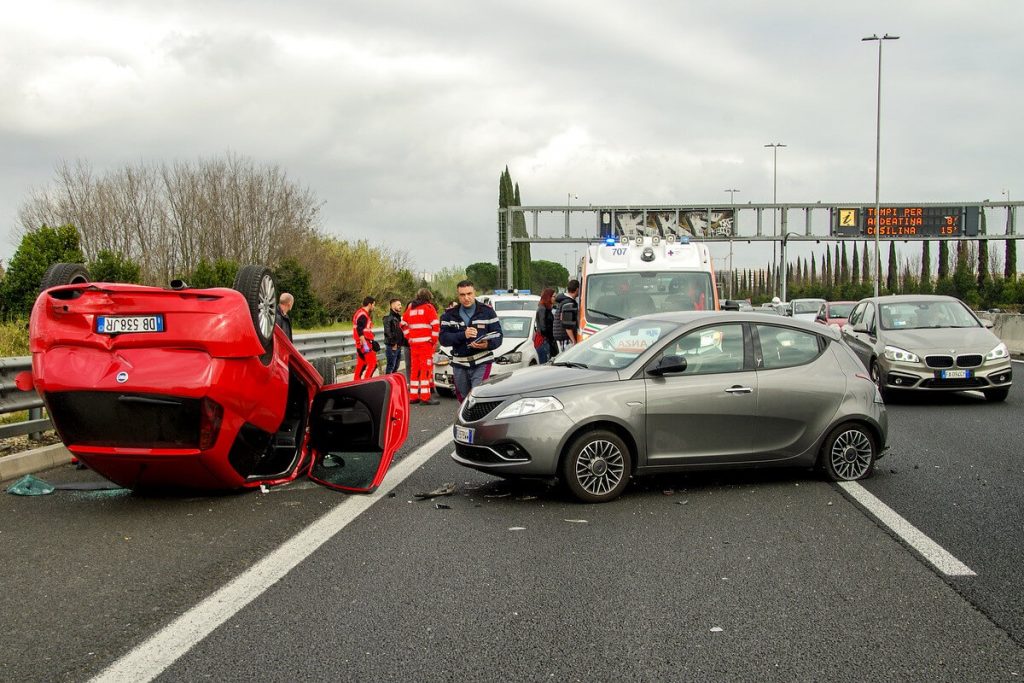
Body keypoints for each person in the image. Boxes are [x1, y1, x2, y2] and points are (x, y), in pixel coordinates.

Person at [439, 279, 502, 402]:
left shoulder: (487, 312)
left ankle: (479, 421)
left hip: (482, 361)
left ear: (474, 293)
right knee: (463, 399)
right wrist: (463, 335)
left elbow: (499, 336)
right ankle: (465, 420)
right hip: (459, 363)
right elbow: (443, 339)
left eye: (469, 294)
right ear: (458, 296)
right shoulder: (449, 315)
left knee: (478, 395)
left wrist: (487, 344)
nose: (466, 298)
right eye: (462, 295)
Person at [401, 288, 441, 404]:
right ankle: (425, 397)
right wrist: (433, 340)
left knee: (415, 370)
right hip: (425, 345)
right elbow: (435, 325)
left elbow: (403, 324)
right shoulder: (429, 308)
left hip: (414, 345)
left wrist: (409, 337)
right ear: (428, 297)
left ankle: (413, 396)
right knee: (425, 370)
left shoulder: (411, 309)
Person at [352, 296, 377, 380]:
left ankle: (356, 382)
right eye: (373, 305)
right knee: (373, 363)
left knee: (361, 363)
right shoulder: (363, 315)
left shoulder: (360, 313)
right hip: (364, 343)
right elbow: (359, 329)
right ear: (369, 304)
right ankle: (367, 382)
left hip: (360, 343)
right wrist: (365, 344)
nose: (374, 307)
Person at [552, 279, 580, 350]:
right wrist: (573, 340)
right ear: (577, 289)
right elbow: (568, 325)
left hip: (561, 336)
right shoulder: (569, 304)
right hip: (565, 337)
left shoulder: (563, 301)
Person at [382, 298, 407, 375]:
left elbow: (399, 332)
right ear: (393, 306)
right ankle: (387, 384)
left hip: (398, 346)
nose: (400, 306)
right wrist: (394, 344)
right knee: (391, 367)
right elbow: (387, 332)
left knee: (396, 367)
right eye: (398, 304)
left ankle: (392, 384)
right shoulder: (387, 318)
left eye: (401, 304)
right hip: (392, 346)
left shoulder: (398, 317)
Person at [534, 287, 558, 364]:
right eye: (554, 296)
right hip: (543, 341)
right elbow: (543, 327)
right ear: (548, 297)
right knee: (545, 365)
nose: (555, 298)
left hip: (546, 340)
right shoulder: (542, 309)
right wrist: (551, 337)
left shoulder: (547, 309)